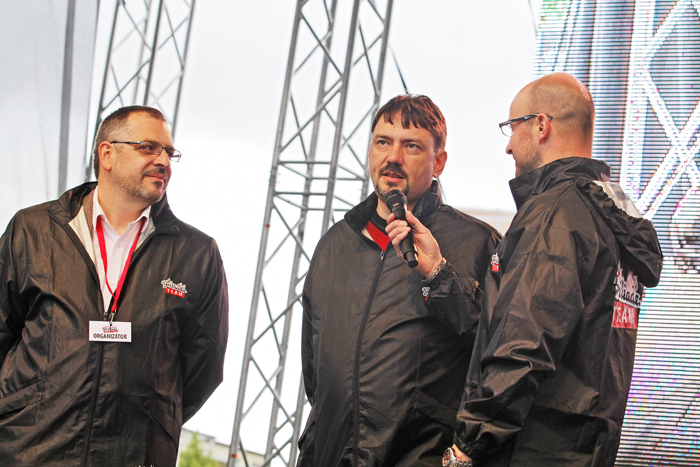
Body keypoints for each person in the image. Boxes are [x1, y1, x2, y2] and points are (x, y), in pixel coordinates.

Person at [446, 73, 663, 466]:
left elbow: (523, 345)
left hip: (529, 450)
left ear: (541, 125)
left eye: (512, 127)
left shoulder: (556, 214)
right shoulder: (610, 216)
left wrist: (467, 448)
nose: (508, 146)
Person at [0, 105, 229, 466]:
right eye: (148, 147)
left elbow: (204, 366)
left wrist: (150, 418)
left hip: (134, 454)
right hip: (28, 450)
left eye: (169, 153)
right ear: (107, 154)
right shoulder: (33, 229)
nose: (163, 161)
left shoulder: (197, 254)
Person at [297, 95, 501, 467]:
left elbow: (498, 354)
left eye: (411, 146)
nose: (393, 157)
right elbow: (315, 370)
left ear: (439, 162)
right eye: (382, 142)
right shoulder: (334, 243)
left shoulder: (477, 243)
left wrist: (439, 275)